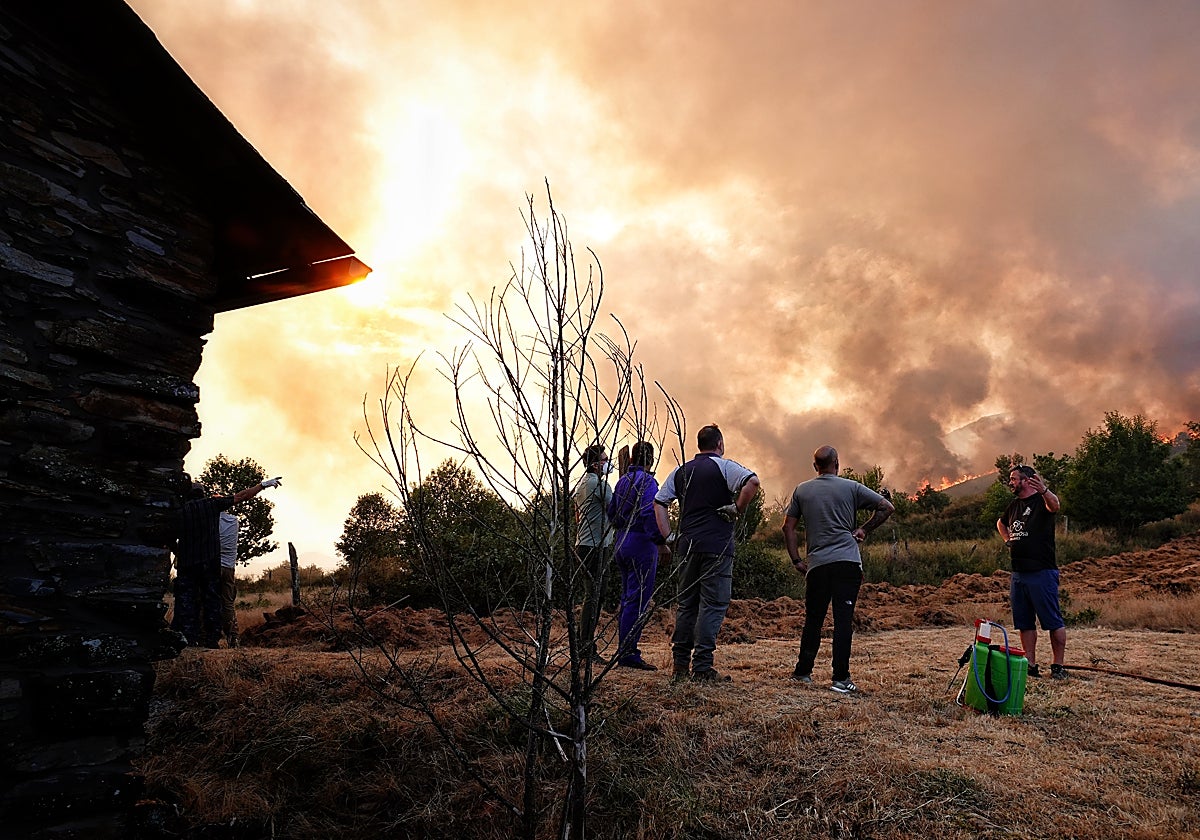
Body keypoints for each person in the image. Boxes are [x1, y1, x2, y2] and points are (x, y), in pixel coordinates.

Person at [782, 445, 894, 694]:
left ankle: (802, 673)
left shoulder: (802, 490)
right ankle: (840, 679)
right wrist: (864, 529)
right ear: (837, 463)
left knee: (813, 619)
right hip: (847, 563)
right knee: (843, 621)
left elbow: (787, 528)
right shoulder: (851, 487)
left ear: (815, 467)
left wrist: (797, 561)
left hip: (818, 565)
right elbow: (886, 507)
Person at [654, 424, 760, 683]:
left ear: (698, 445)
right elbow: (752, 482)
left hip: (687, 547)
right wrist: (736, 508)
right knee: (712, 605)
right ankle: (702, 668)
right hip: (717, 548)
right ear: (720, 444)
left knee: (687, 604)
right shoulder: (723, 467)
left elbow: (659, 502)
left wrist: (669, 536)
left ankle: (679, 666)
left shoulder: (680, 471)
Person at [172, 475, 281, 648]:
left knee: (189, 603)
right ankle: (214, 639)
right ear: (203, 494)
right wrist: (262, 485)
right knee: (214, 603)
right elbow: (241, 496)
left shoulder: (179, 512)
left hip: (188, 565)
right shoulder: (213, 507)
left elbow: (169, 537)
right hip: (210, 565)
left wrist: (178, 551)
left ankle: (188, 640)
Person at [997, 464, 1066, 679]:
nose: (1011, 482)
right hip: (1019, 573)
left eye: (1014, 478)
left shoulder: (1042, 501)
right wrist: (1008, 540)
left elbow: (1055, 506)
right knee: (1025, 623)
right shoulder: (1014, 505)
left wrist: (1044, 490)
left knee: (1052, 621)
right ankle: (1030, 665)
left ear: (1027, 480)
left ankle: (1057, 666)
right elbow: (1001, 522)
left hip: (1041, 572)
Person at [607, 441, 669, 670]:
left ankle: (624, 649)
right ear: (651, 460)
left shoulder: (622, 481)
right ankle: (628, 654)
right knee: (638, 599)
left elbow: (611, 511)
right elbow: (649, 511)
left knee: (627, 598)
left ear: (632, 459)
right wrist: (660, 541)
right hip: (641, 542)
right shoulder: (648, 482)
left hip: (621, 541)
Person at [573, 443, 613, 663]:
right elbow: (617, 509)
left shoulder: (581, 484)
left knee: (593, 596)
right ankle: (586, 647)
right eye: (605, 460)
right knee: (594, 597)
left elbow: (578, 517)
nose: (608, 463)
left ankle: (584, 645)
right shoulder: (599, 485)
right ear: (596, 464)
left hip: (583, 544)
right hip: (596, 547)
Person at [218, 511, 240, 647]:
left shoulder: (212, 519)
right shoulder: (234, 521)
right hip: (229, 568)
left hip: (213, 566)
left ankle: (208, 635)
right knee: (228, 603)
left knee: (206, 599)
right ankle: (233, 636)